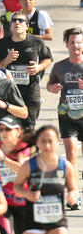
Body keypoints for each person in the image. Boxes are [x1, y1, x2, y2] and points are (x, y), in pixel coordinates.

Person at [0, 11, 53, 131]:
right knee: (10, 128)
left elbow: (48, 58)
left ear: (27, 26)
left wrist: (38, 67)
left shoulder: (36, 42)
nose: (17, 22)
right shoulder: (2, 44)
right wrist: (7, 60)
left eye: (21, 20)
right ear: (10, 26)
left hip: (30, 91)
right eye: (14, 20)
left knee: (29, 129)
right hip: (9, 92)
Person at [47, 27, 83, 211]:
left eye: (79, 42)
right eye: (72, 42)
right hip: (67, 116)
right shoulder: (59, 66)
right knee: (71, 155)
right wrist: (52, 88)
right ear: (67, 44)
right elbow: (50, 83)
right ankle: (73, 195)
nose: (76, 45)